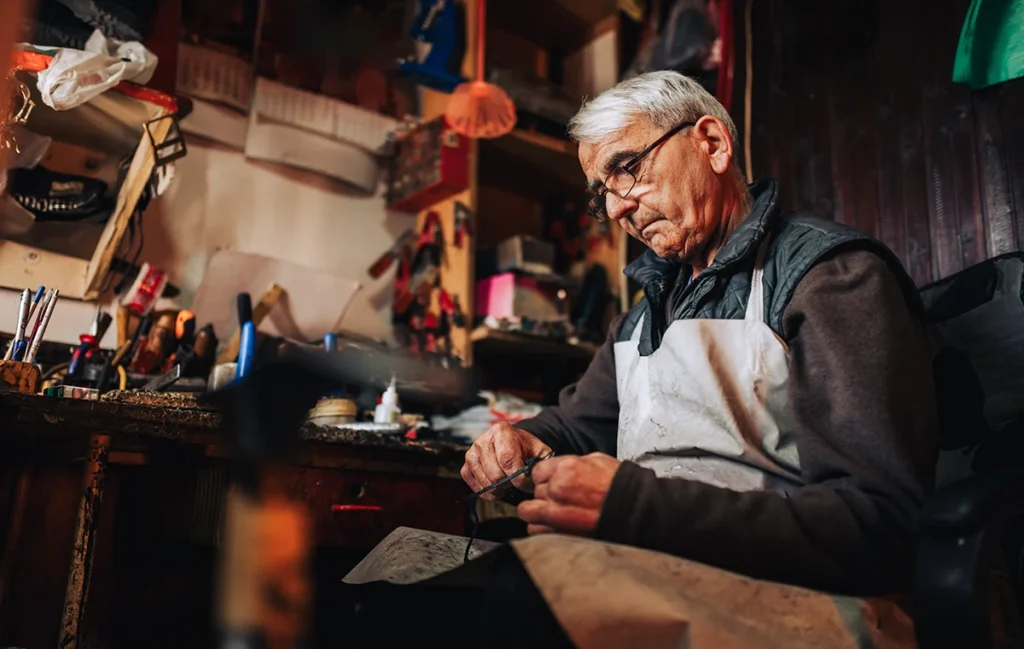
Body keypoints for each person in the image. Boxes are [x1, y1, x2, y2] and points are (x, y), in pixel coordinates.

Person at [462, 69, 939, 597]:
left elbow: (876, 525)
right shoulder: (644, 315)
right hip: (653, 576)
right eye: (602, 193)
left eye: (627, 168)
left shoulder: (828, 279)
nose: (616, 207)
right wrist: (522, 441)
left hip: (791, 600)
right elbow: (576, 426)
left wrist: (634, 508)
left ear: (711, 143)